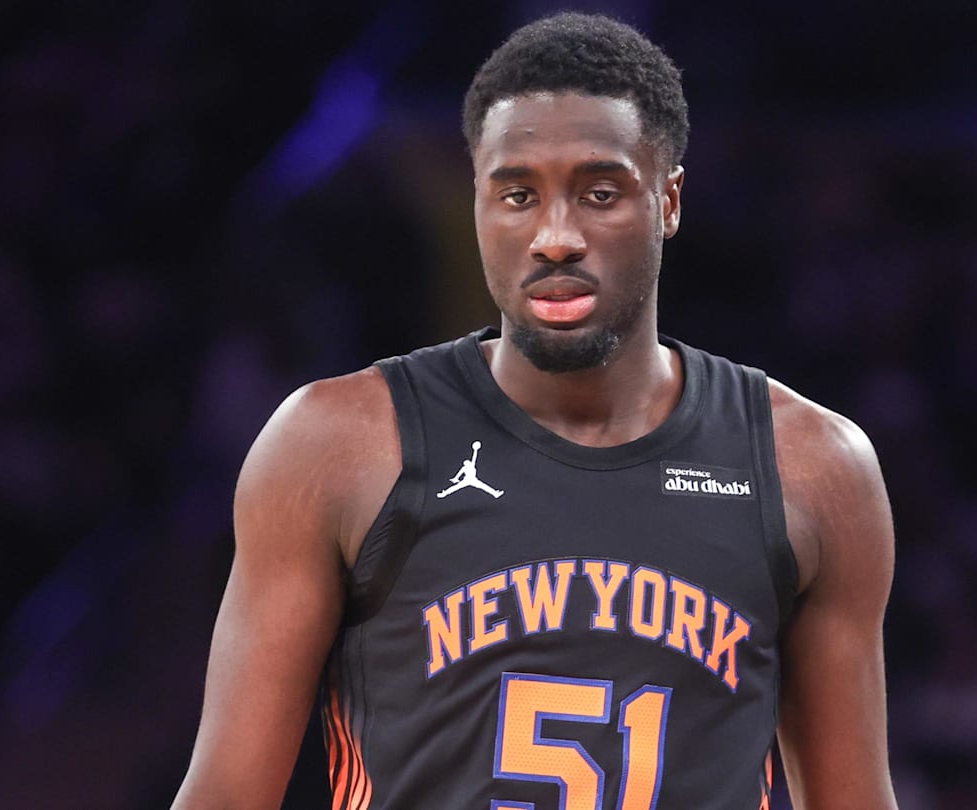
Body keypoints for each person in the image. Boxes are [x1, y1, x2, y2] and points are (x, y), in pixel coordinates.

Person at [172, 11, 897, 810]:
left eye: (599, 192)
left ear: (669, 201)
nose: (556, 236)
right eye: (518, 193)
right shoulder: (335, 446)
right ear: (478, 201)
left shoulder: (814, 466)